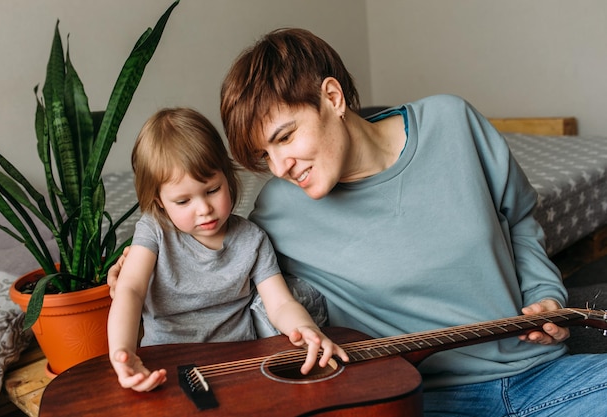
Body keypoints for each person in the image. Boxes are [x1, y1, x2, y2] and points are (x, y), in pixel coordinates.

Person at [215, 28, 607, 415]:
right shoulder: (278, 210)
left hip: (542, 373)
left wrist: (545, 295)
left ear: (332, 97)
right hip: (420, 399)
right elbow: (209, 277)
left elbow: (520, 219)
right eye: (264, 155)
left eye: (285, 138)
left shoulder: (452, 122)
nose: (280, 166)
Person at [107, 107, 348, 392]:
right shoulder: (154, 230)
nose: (204, 209)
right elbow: (130, 290)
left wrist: (308, 330)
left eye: (212, 190)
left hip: (237, 366)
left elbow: (280, 304)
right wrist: (122, 353)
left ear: (228, 177)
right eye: (183, 202)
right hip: (166, 366)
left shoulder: (252, 239)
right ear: (159, 202)